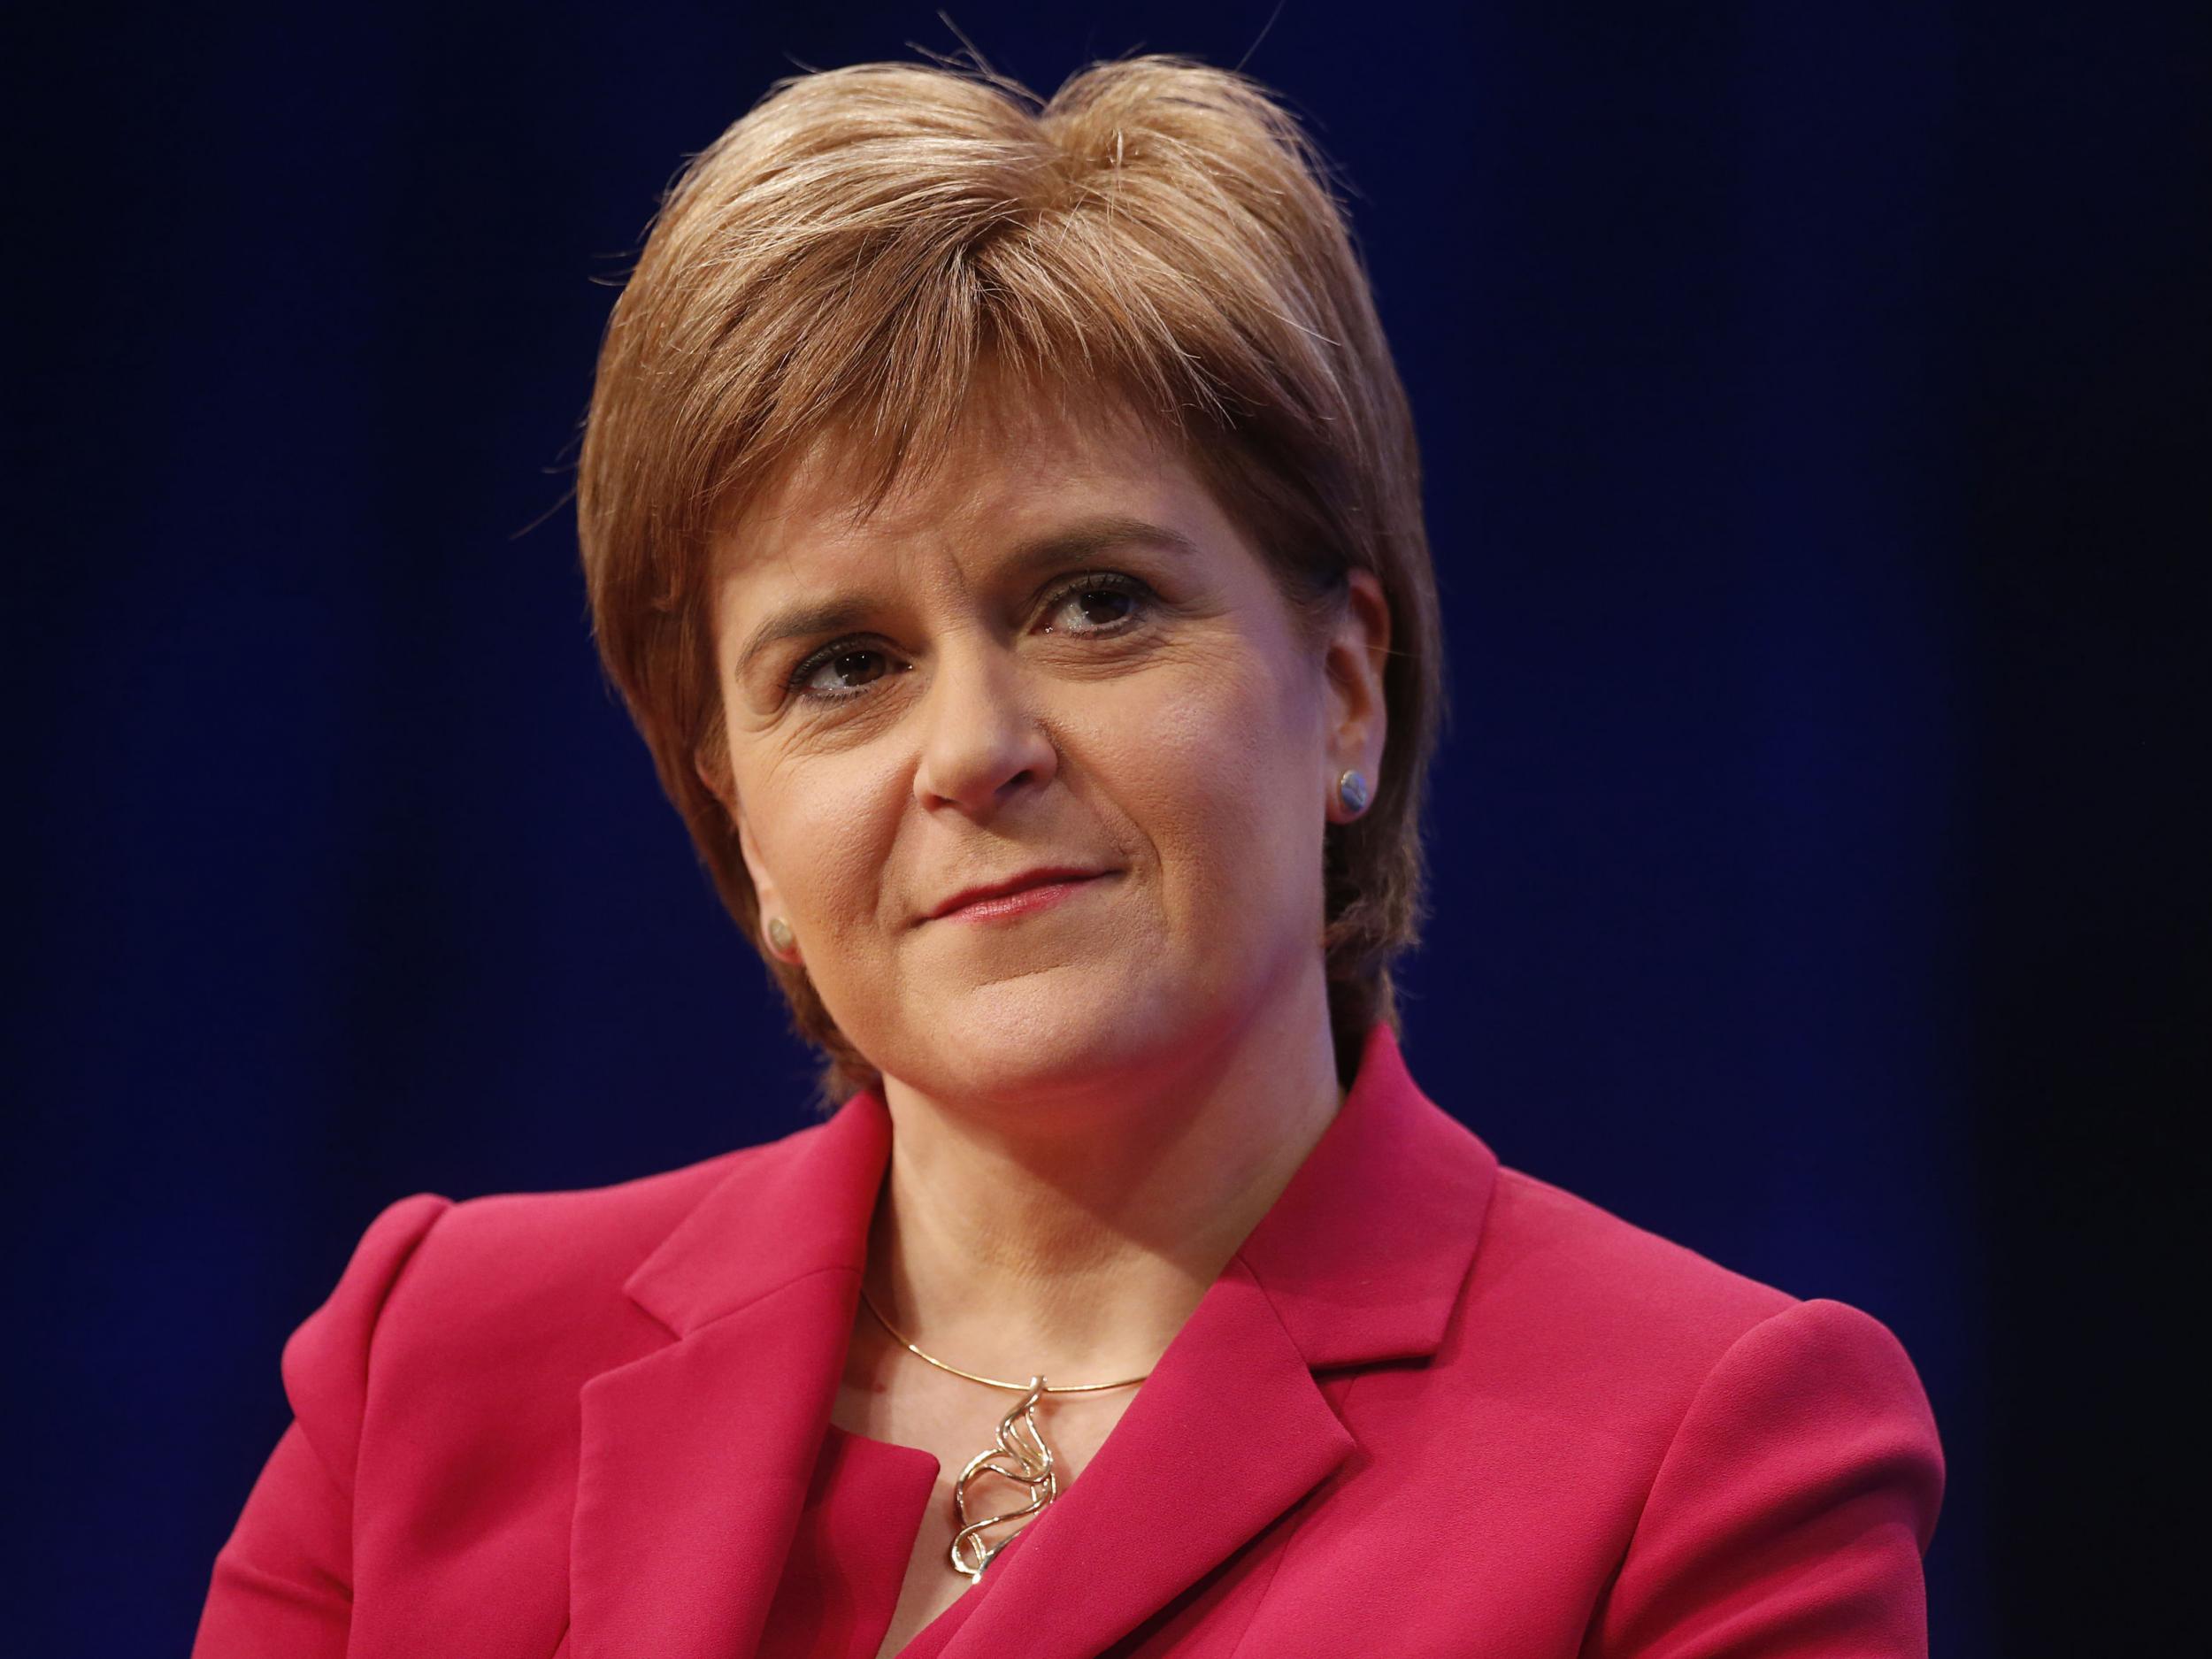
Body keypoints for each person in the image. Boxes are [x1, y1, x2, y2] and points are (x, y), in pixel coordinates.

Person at [191, 52, 1943, 1659]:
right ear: (737, 809)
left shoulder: (1704, 1451)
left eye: (1095, 603)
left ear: (1340, 691)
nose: (973, 750)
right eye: (843, 664)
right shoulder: (430, 1363)